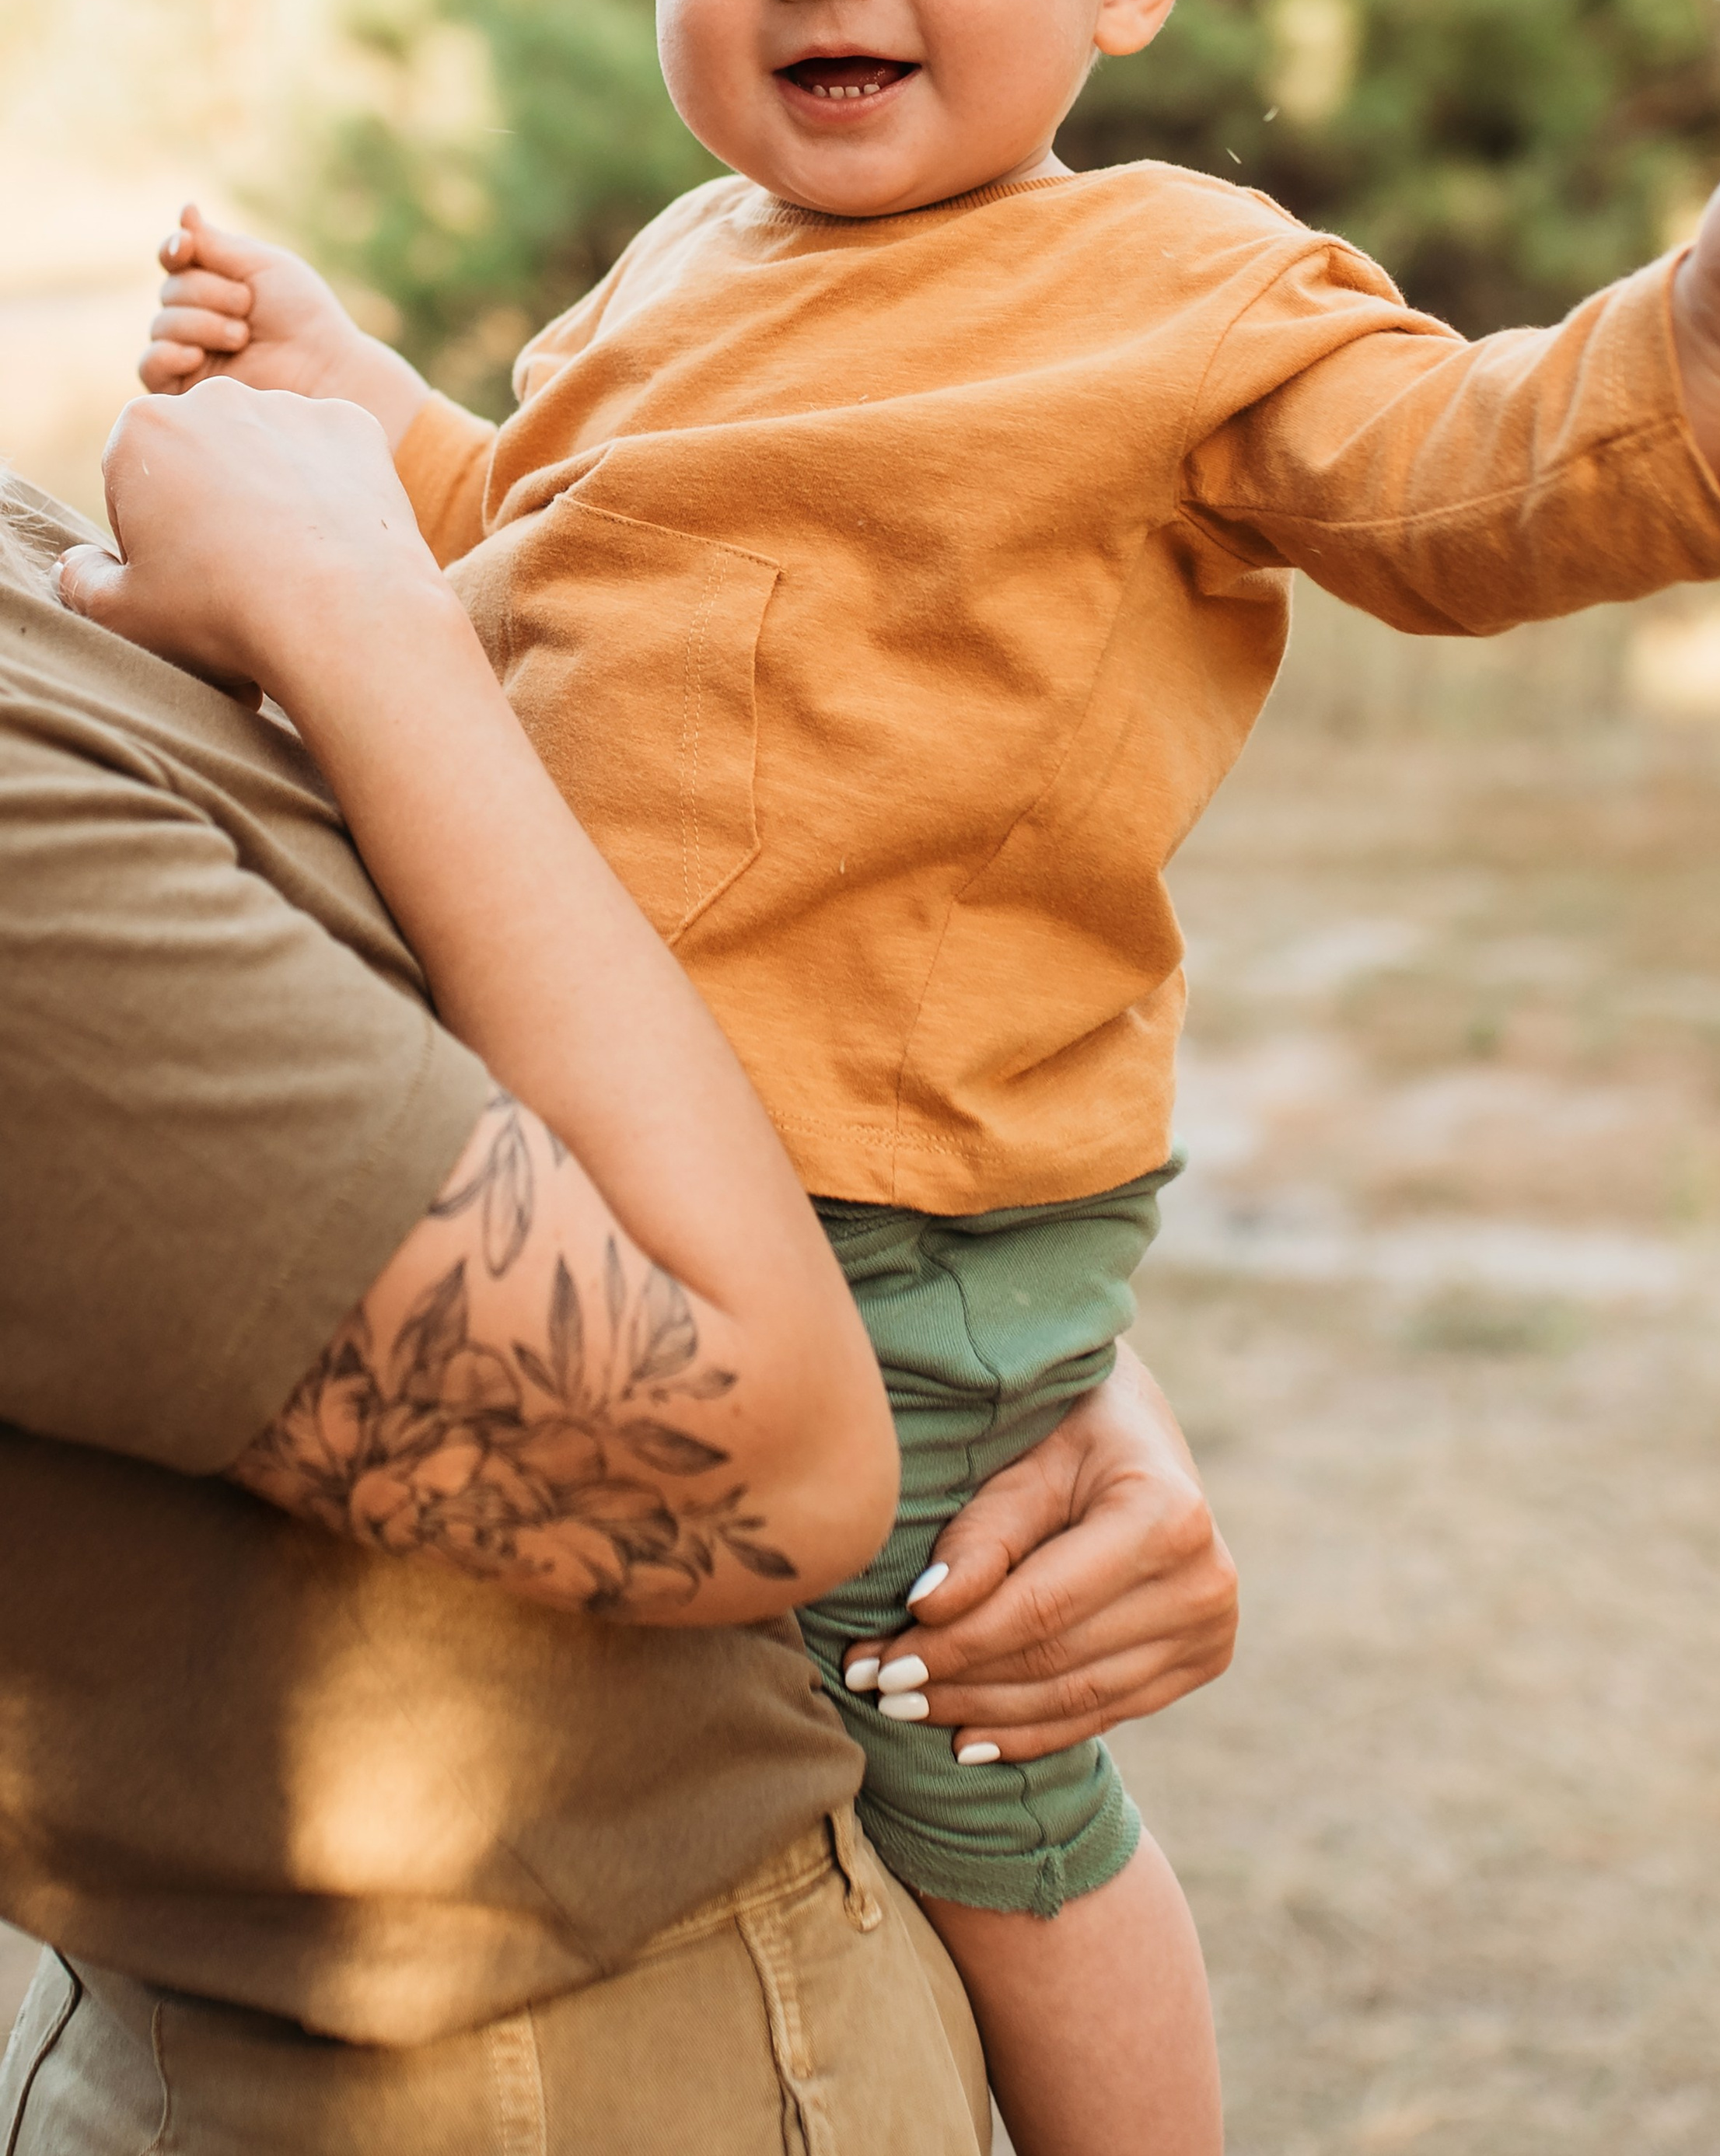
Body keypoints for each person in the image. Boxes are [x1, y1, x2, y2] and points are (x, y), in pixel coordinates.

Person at [136, 0, 1720, 2156]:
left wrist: (1701, 340)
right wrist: (355, 395)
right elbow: (535, 560)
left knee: (974, 1736)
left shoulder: (1176, 291)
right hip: (611, 1125)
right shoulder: (674, 268)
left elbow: (1462, 477)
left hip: (888, 1193)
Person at [1, 398, 1237, 2153]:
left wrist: (1012, 1350)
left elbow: (450, 1046)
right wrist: (363, 617)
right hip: (522, 2081)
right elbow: (768, 1468)